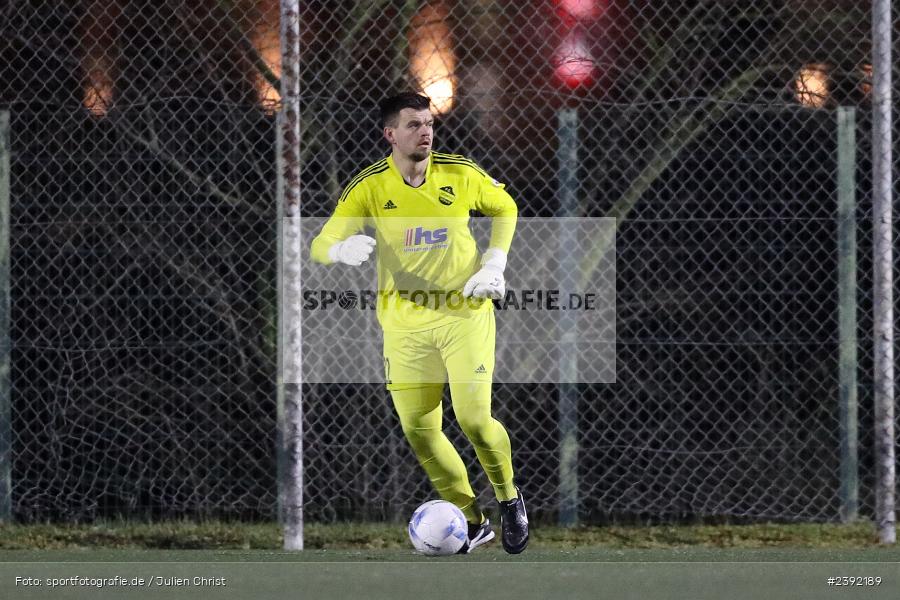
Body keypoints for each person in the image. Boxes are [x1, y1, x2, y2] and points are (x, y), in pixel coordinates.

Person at [310, 92, 528, 554]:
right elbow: (321, 241)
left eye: (428, 123)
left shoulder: (459, 173)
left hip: (463, 316)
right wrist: (339, 250)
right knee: (419, 430)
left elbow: (505, 207)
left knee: (472, 418)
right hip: (404, 326)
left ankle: (509, 499)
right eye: (413, 124)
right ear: (390, 134)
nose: (425, 132)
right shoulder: (369, 186)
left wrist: (494, 263)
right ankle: (471, 519)